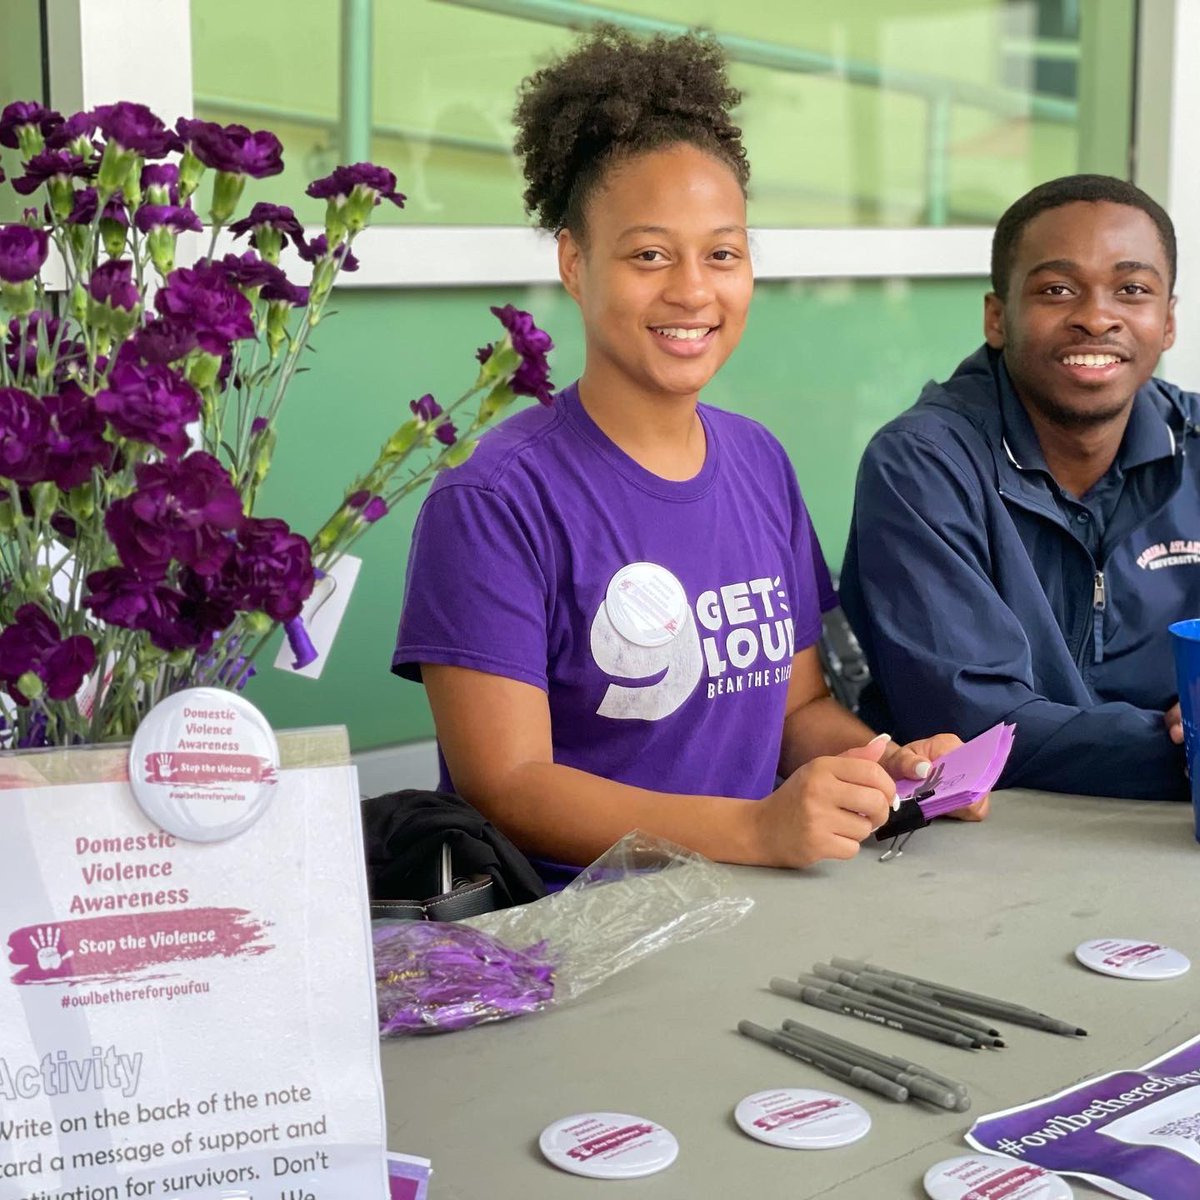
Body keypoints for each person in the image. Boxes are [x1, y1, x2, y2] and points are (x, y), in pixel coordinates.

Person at [393, 27, 980, 881]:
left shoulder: (759, 463)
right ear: (573, 261)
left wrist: (884, 769)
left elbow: (798, 710)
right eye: (649, 255)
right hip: (580, 947)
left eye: (723, 254)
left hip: (760, 912)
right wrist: (753, 831)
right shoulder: (493, 500)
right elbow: (507, 785)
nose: (693, 290)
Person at [840, 174, 1195, 801]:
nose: (1095, 317)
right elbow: (976, 722)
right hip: (979, 842)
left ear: (1167, 323)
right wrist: (1187, 749)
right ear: (998, 317)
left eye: (1131, 289)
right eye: (1057, 290)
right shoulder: (923, 464)